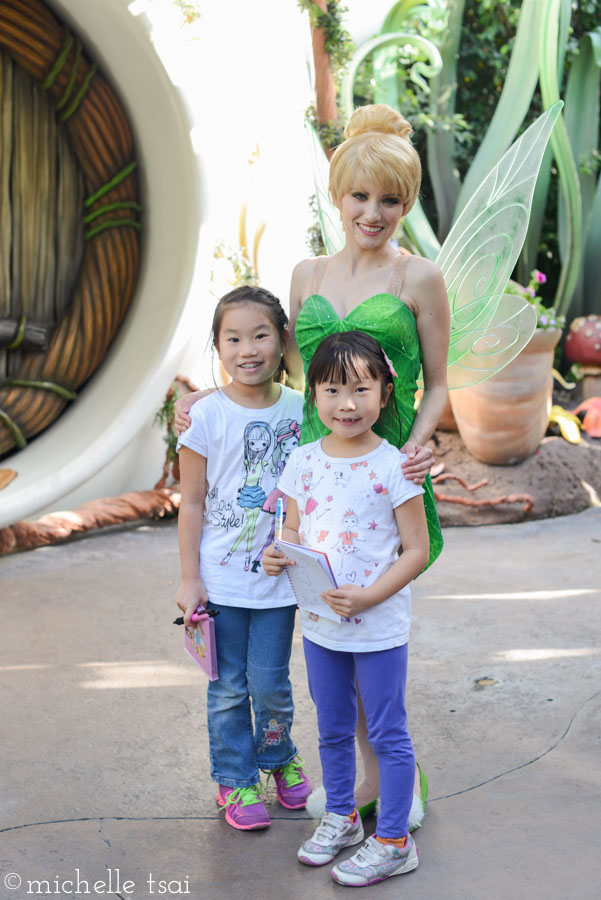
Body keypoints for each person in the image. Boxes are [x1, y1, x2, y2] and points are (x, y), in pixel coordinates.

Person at [174, 103, 450, 821]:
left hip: (384, 473)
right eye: (361, 196)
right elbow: (285, 375)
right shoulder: (304, 274)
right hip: (319, 475)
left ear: (405, 204)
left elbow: (442, 382)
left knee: (375, 627)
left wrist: (419, 443)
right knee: (330, 626)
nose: (373, 211)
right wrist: (207, 399)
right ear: (338, 195)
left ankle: (394, 781)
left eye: (390, 199)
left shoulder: (420, 278)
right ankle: (369, 780)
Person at [262, 331, 429, 886]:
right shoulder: (302, 462)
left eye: (361, 389)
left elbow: (418, 550)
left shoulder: (394, 467)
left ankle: (394, 842)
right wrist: (276, 555)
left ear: (386, 392)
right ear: (313, 396)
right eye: (332, 390)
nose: (347, 404)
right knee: (332, 727)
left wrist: (370, 596)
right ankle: (341, 817)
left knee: (387, 733)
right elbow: (290, 529)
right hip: (319, 623)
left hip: (378, 625)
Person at [175, 284, 311, 831]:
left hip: (282, 581)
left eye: (260, 335)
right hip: (222, 581)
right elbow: (191, 501)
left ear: (282, 340)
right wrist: (189, 579)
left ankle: (278, 758)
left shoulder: (306, 410)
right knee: (229, 685)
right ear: (217, 345)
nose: (247, 349)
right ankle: (234, 779)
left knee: (272, 682)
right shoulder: (204, 417)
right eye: (233, 338)